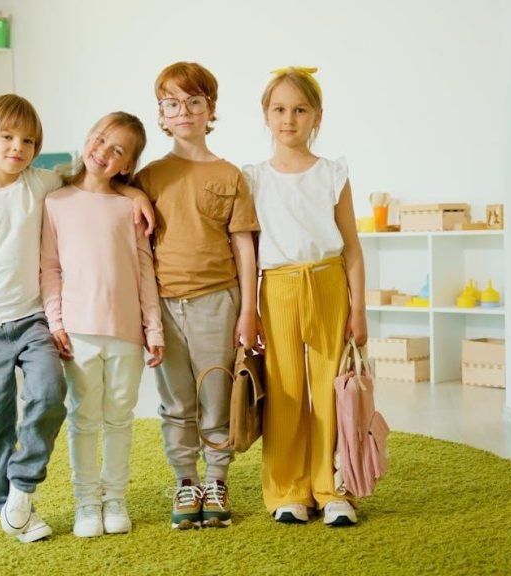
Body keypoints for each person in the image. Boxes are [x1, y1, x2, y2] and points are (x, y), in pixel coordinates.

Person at [0, 95, 154, 543]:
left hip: (33, 320)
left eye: (29, 140)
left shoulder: (41, 184)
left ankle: (24, 483)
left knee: (51, 394)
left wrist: (133, 191)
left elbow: (93, 182)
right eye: (8, 137)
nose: (18, 147)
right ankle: (7, 504)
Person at [135, 62, 260, 530]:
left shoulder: (230, 175)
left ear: (210, 110)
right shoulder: (148, 177)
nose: (183, 110)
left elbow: (244, 246)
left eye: (193, 101)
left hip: (218, 301)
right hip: (165, 306)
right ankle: (185, 480)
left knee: (217, 394)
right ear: (161, 115)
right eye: (172, 103)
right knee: (175, 401)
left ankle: (217, 479)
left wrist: (249, 309)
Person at [242, 67, 368, 527]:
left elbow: (352, 246)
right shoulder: (252, 177)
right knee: (285, 391)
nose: (288, 119)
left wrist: (359, 308)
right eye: (279, 109)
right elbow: (248, 251)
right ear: (265, 115)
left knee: (331, 389)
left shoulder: (333, 174)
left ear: (317, 116)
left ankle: (333, 488)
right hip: (276, 288)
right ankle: (287, 490)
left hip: (329, 282)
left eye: (299, 109)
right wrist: (249, 311)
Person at [39, 112, 164, 538]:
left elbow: (145, 270)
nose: (104, 152)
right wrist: (56, 322)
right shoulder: (55, 201)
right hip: (78, 331)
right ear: (87, 136)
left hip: (126, 332)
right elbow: (50, 269)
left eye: (118, 150)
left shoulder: (129, 204)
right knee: (84, 419)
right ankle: (87, 503)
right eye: (101, 139)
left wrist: (154, 329)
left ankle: (115, 498)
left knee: (120, 417)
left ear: (128, 165)